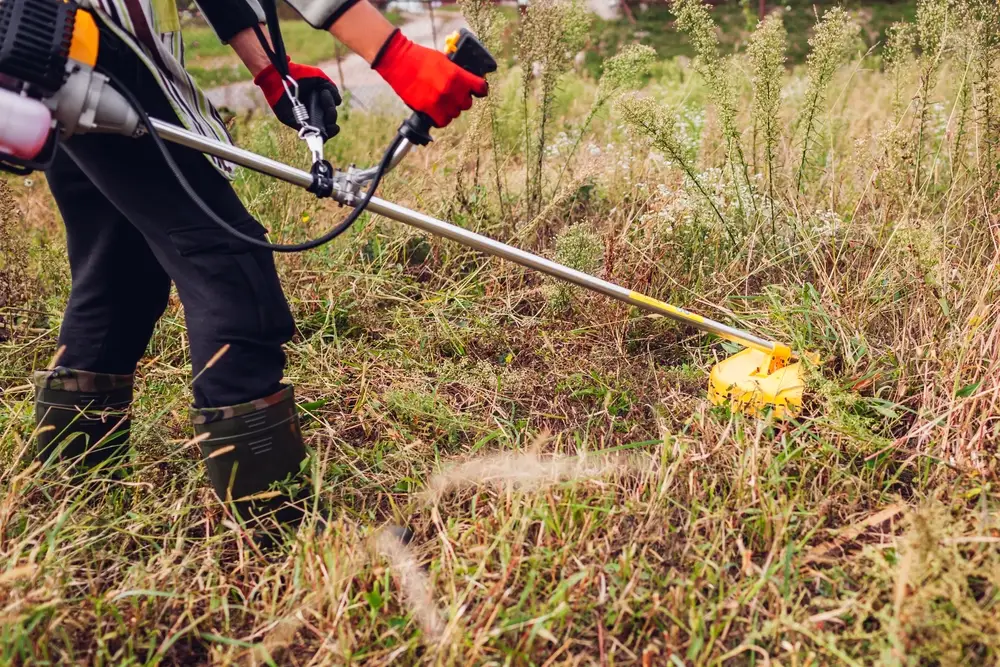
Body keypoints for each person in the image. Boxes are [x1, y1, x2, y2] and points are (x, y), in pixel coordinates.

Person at [33, 0, 488, 538]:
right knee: (229, 264)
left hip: (48, 42)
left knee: (119, 266)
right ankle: (284, 532)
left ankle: (75, 497)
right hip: (92, 45)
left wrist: (272, 69)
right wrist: (393, 53)